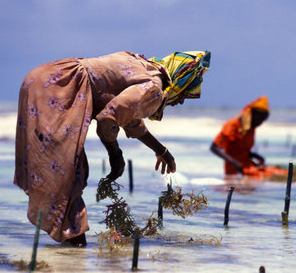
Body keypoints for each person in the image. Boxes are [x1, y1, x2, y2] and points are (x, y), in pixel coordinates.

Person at [14, 50, 211, 246]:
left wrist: (161, 150)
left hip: (43, 77)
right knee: (69, 173)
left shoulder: (144, 67)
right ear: (180, 81)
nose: (182, 101)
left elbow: (128, 117)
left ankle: (68, 248)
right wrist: (115, 154)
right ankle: (75, 249)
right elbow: (108, 119)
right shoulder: (154, 88)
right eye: (186, 94)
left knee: (67, 170)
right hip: (60, 88)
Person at [210, 96, 286, 178]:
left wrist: (258, 157)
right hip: (235, 171)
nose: (260, 123)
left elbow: (243, 151)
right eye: (259, 119)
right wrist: (235, 163)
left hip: (248, 165)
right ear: (251, 115)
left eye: (263, 121)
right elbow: (214, 148)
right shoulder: (232, 125)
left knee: (281, 173)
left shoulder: (251, 129)